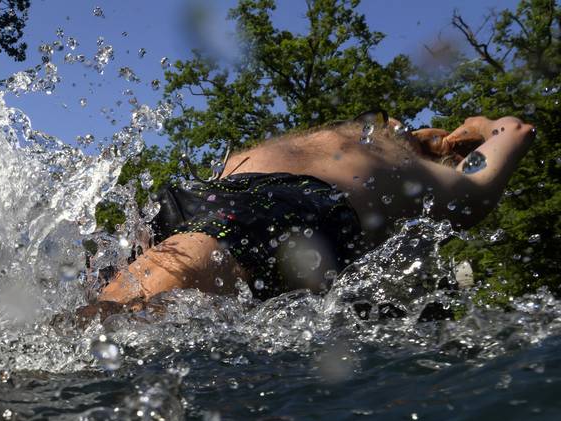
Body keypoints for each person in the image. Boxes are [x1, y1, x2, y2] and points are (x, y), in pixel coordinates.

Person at [93, 114, 536, 309]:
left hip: (190, 198)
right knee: (110, 328)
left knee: (87, 309)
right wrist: (477, 126)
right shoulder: (416, 175)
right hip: (284, 209)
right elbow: (513, 130)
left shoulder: (326, 140)